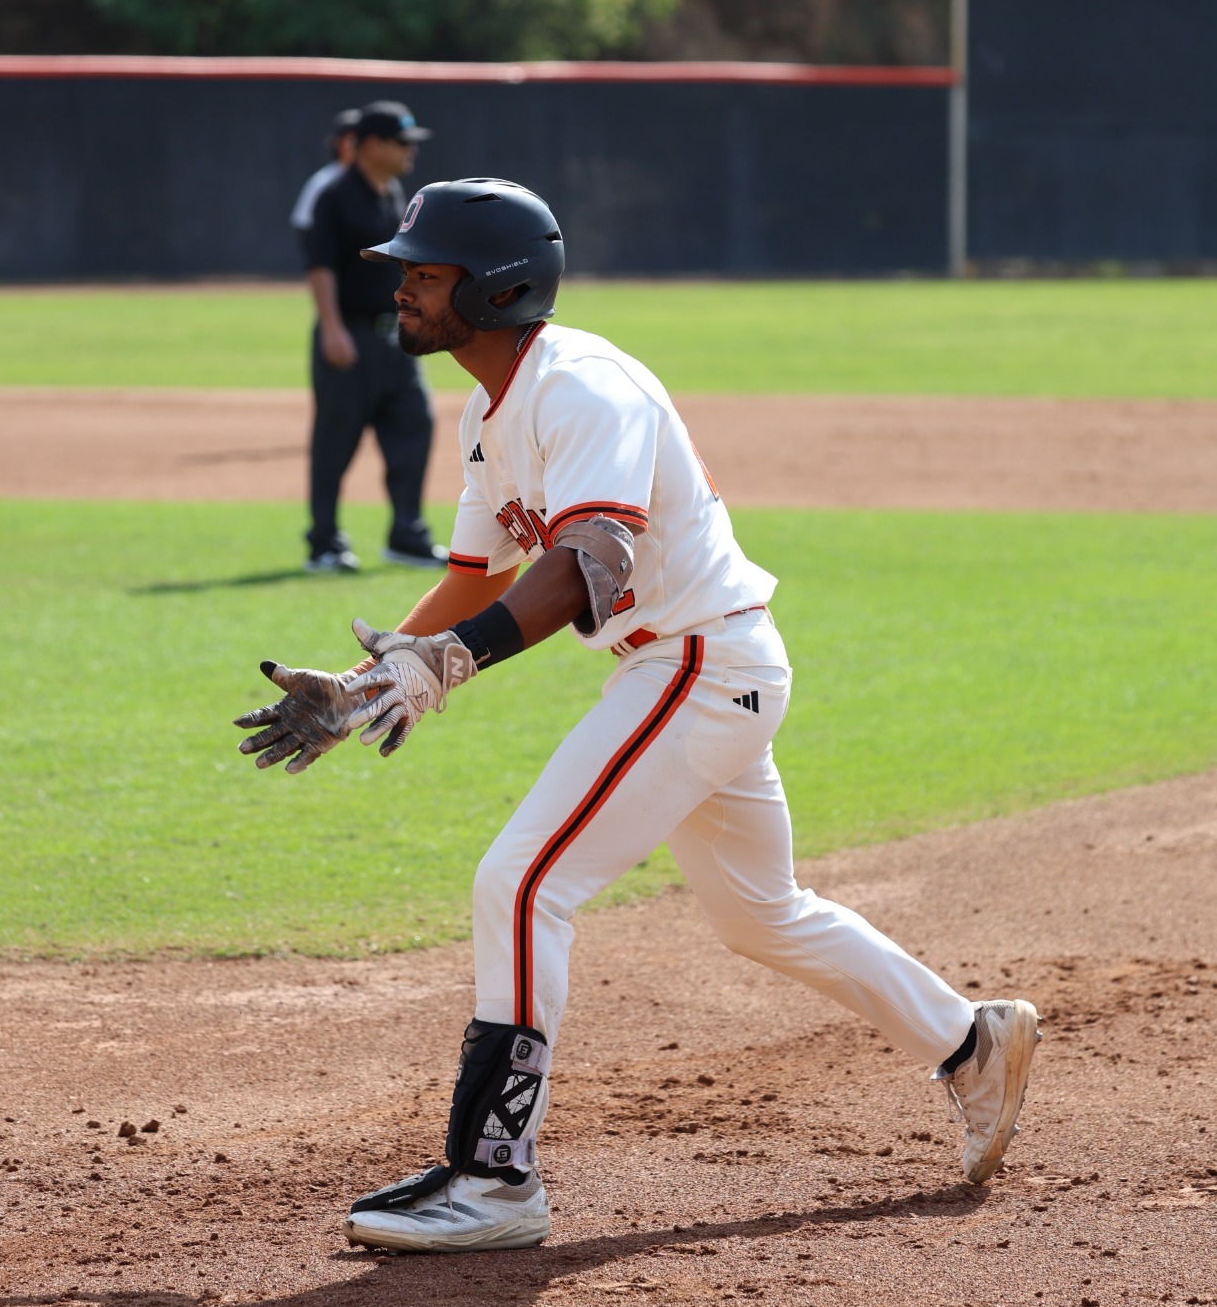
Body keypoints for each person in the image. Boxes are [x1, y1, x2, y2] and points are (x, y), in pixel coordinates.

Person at [235, 178, 1041, 1253]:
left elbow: (591, 565)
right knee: (762, 913)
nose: (404, 287)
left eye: (425, 273)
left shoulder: (582, 386)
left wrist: (449, 667)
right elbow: (478, 575)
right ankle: (970, 1041)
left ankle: (493, 1178)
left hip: (697, 662)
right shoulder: (489, 409)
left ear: (495, 285)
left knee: (521, 884)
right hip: (692, 662)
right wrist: (364, 682)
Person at [299, 101, 447, 575]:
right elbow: (319, 266)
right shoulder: (335, 194)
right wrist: (332, 327)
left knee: (414, 424)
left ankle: (407, 535)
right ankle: (324, 544)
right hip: (350, 337)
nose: (411, 152)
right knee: (335, 442)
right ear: (373, 145)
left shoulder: (392, 192)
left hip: (395, 338)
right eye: (403, 143)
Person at [291, 106, 360, 243]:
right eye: (351, 139)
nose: (357, 144)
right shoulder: (322, 182)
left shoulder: (381, 184)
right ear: (338, 143)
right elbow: (304, 226)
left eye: (362, 138)